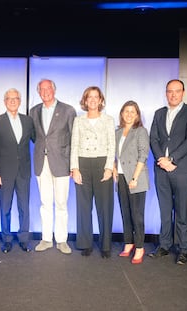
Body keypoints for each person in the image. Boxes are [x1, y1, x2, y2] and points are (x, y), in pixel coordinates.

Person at [149, 79, 187, 265]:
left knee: (182, 212)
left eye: (177, 91)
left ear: (183, 92)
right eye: (170, 91)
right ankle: (164, 245)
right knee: (164, 210)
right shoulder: (159, 113)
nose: (173, 94)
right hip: (162, 169)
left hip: (181, 169)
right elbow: (153, 139)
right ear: (166, 93)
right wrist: (162, 160)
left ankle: (183, 249)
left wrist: (172, 159)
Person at [29, 79, 76, 254]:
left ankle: (62, 240)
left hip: (62, 162)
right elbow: (35, 136)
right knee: (45, 203)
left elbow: (73, 138)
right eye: (42, 89)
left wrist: (73, 164)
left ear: (54, 90)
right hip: (42, 162)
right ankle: (46, 239)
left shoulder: (68, 110)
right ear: (38, 92)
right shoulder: (33, 111)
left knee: (61, 203)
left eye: (48, 88)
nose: (45, 91)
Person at [70, 86, 115, 258]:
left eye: (96, 97)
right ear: (85, 100)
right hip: (83, 162)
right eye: (90, 97)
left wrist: (109, 167)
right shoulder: (78, 121)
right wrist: (75, 168)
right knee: (84, 206)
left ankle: (105, 245)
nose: (93, 100)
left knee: (104, 206)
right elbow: (74, 145)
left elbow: (112, 145)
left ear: (101, 100)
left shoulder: (108, 120)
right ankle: (85, 243)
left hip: (102, 163)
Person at [0, 88, 35, 253]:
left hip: (24, 171)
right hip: (4, 172)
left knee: (24, 206)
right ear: (4, 102)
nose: (12, 101)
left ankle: (24, 239)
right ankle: (7, 240)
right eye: (9, 98)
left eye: (16, 98)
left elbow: (39, 141)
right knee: (5, 208)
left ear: (20, 101)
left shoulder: (28, 121)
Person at [113, 100, 149, 264]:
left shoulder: (140, 131)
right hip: (121, 177)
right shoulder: (118, 132)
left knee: (137, 215)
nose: (128, 114)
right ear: (122, 114)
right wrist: (114, 169)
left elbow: (143, 155)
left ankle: (140, 247)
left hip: (136, 178)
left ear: (137, 115)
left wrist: (135, 177)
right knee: (125, 213)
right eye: (126, 111)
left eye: (132, 111)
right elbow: (114, 155)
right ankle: (129, 243)